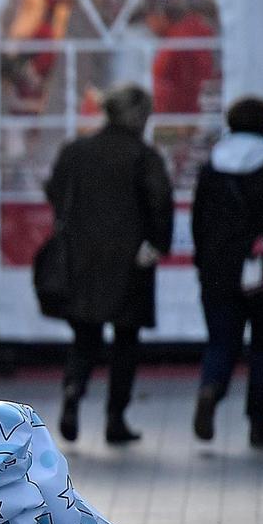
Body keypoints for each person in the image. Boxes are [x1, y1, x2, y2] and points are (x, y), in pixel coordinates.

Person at [43, 83, 173, 444]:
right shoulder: (144, 156)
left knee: (85, 335)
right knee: (126, 339)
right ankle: (116, 418)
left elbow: (55, 191)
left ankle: (73, 390)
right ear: (139, 116)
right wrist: (156, 245)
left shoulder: (76, 150)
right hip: (130, 259)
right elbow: (160, 202)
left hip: (82, 255)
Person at [191, 95, 263, 449]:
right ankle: (259, 423)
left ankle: (211, 388)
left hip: (219, 270)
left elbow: (199, 221)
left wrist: (203, 261)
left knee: (221, 339)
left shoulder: (213, 164)